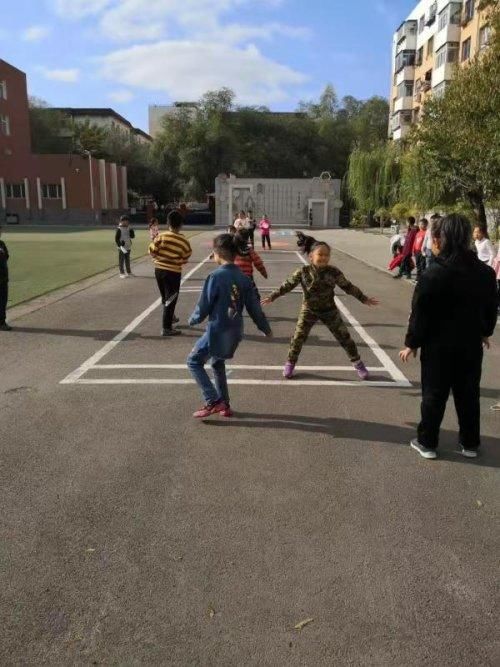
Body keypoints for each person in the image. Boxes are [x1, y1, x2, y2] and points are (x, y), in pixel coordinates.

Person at [400, 214, 498, 460]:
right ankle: (470, 443)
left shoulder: (433, 274)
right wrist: (484, 331)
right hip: (469, 346)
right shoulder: (484, 273)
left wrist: (412, 343)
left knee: (434, 395)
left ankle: (428, 443)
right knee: (468, 395)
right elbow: (490, 307)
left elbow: (420, 313)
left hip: (438, 347)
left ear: (438, 240)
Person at [261, 241, 379, 380]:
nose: (323, 257)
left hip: (329, 310)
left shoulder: (334, 272)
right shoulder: (303, 272)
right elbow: (287, 285)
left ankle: (358, 364)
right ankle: (290, 363)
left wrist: (363, 298)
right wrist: (273, 296)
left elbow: (347, 286)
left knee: (345, 338)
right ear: (311, 256)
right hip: (309, 310)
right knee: (298, 337)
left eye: (326, 255)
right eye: (320, 254)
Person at [187, 234, 272, 418]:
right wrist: (265, 327)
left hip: (217, 330)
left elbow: (204, 305)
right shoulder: (244, 278)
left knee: (193, 362)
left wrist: (193, 319)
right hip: (235, 331)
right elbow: (254, 308)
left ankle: (213, 400)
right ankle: (225, 405)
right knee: (217, 363)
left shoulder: (215, 277)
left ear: (217, 253)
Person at [149, 210, 192, 337]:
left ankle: (170, 316)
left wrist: (159, 258)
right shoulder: (183, 241)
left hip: (158, 270)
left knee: (165, 296)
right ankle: (166, 327)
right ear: (181, 225)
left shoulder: (161, 236)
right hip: (173, 272)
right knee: (171, 298)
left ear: (168, 223)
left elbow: (151, 250)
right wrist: (176, 260)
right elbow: (186, 257)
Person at [233, 229, 268, 297]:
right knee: (255, 298)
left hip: (234, 278)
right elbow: (258, 263)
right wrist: (264, 273)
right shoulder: (249, 250)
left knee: (235, 300)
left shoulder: (232, 249)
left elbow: (223, 256)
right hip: (247, 278)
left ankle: (236, 306)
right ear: (247, 239)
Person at [0, 226, 11, 331]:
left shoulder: (1, 244)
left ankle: (2, 322)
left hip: (3, 279)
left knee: (3, 301)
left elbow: (6, 256)